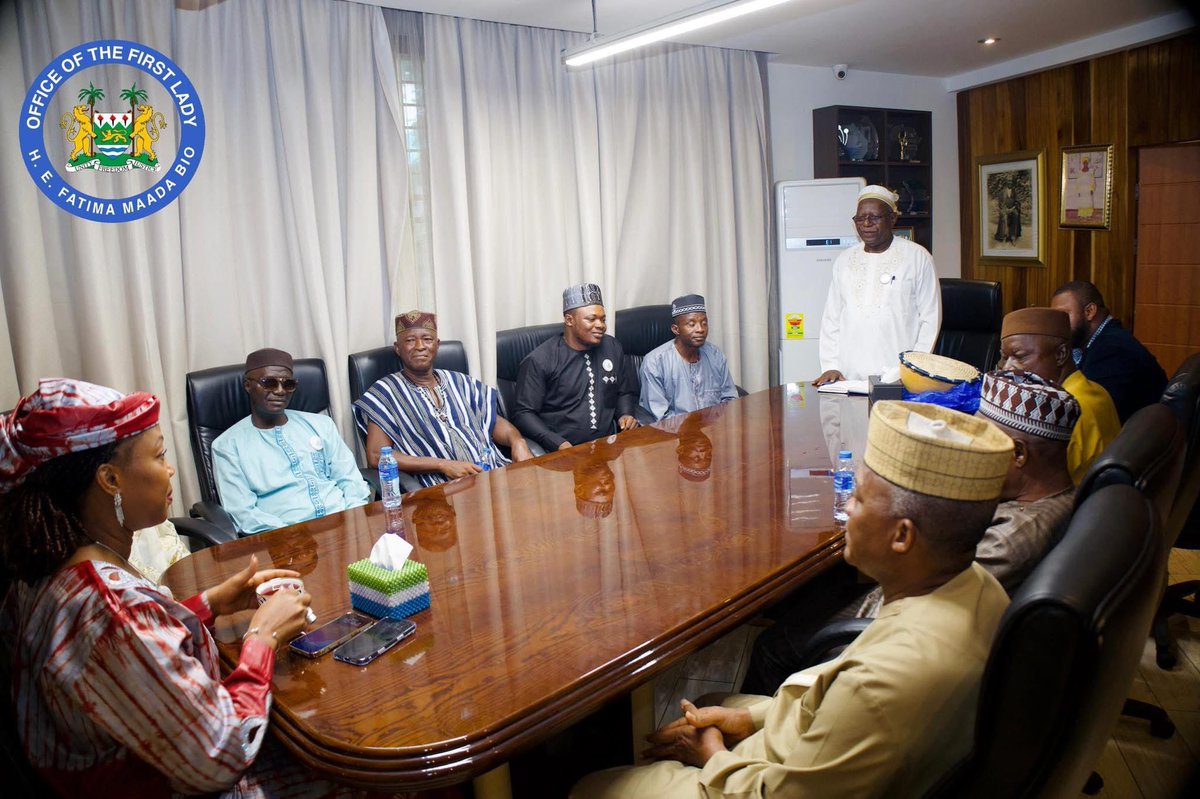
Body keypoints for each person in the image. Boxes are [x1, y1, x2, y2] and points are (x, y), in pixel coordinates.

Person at [572, 400, 1013, 798]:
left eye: (857, 497)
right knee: (724, 706)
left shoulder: (883, 682)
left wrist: (712, 756)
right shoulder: (979, 587)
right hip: (798, 744)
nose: (845, 511)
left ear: (902, 536)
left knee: (593, 786)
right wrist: (750, 721)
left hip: (758, 781)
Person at [0, 378, 334, 798]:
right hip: (174, 782)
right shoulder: (108, 608)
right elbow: (219, 756)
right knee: (345, 760)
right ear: (110, 480)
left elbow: (131, 657)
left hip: (146, 754)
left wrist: (211, 603)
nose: (170, 468)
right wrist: (261, 637)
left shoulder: (54, 561)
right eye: (158, 455)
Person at [744, 370, 1078, 695]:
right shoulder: (1058, 500)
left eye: (985, 444)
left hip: (887, 637)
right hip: (902, 611)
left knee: (773, 647)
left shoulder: (1012, 540)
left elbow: (922, 611)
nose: (972, 453)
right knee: (816, 588)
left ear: (1019, 453)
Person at [353, 310, 533, 487]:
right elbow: (377, 456)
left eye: (427, 339)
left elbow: (493, 422)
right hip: (439, 489)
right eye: (409, 340)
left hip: (493, 473)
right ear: (397, 348)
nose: (420, 346)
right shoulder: (385, 392)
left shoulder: (461, 381)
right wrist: (442, 464)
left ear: (437, 345)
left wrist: (517, 441)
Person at [212, 348, 371, 535]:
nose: (280, 391)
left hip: (345, 526)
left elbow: (350, 480)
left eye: (288, 384)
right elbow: (243, 513)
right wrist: (292, 536)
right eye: (269, 383)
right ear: (248, 385)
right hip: (285, 540)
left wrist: (354, 517)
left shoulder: (321, 425)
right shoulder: (228, 446)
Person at [814, 185, 941, 385]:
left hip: (897, 376)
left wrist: (913, 371)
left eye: (875, 217)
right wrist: (830, 365)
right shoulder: (845, 260)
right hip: (848, 376)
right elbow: (832, 319)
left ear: (892, 219)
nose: (866, 224)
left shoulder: (917, 257)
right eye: (860, 218)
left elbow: (930, 319)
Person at [999, 308, 1120, 484]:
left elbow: (1035, 486)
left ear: (1060, 354)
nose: (1007, 368)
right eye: (1004, 357)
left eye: (1020, 357)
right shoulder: (1092, 389)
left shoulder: (1068, 409)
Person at [514, 283, 640, 451]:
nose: (601, 325)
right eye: (591, 319)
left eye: (603, 319)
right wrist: (557, 443)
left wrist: (625, 414)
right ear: (569, 320)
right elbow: (523, 414)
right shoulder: (541, 360)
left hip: (609, 447)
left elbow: (623, 391)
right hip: (564, 454)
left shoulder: (612, 346)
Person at [1051, 280, 1167, 422]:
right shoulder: (1095, 342)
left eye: (1064, 315)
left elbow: (1083, 413)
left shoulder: (1112, 349)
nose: (1057, 324)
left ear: (1089, 311)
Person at [638, 294, 738, 421]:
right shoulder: (655, 362)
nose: (700, 329)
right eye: (692, 324)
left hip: (714, 433)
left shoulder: (715, 355)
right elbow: (660, 417)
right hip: (675, 437)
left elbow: (730, 400)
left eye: (704, 323)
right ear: (676, 329)